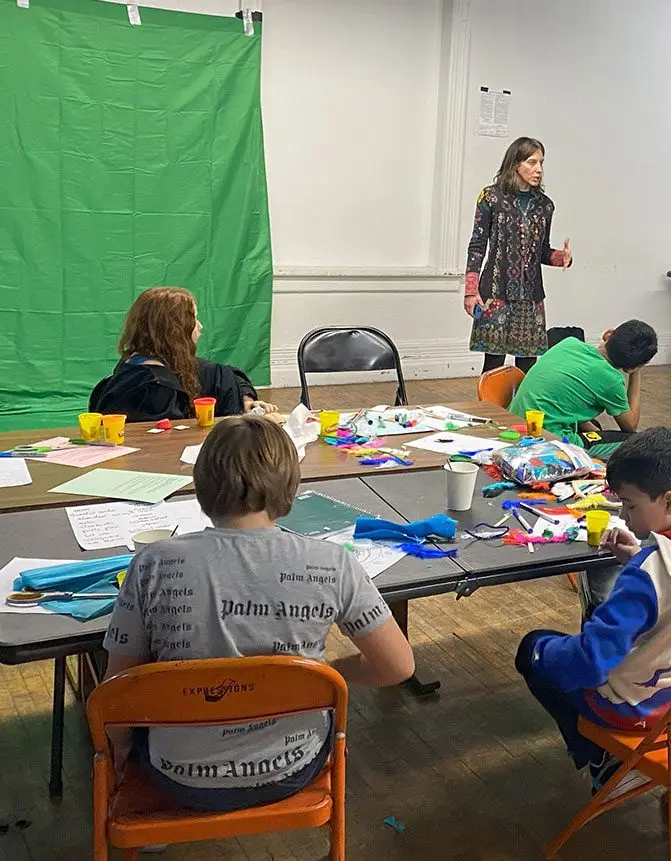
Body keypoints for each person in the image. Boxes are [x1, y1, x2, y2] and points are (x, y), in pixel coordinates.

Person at [102, 415, 415, 812]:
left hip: (178, 775)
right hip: (294, 768)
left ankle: (146, 821)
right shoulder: (333, 564)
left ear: (201, 484)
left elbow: (118, 691)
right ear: (290, 487)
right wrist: (331, 674)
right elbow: (398, 666)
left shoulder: (152, 563)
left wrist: (123, 754)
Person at [516, 428, 671, 851]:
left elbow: (590, 661)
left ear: (669, 502)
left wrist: (545, 652)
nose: (625, 514)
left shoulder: (646, 576)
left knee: (534, 650)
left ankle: (604, 762)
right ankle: (614, 762)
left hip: (640, 708)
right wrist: (640, 551)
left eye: (631, 505)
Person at [463, 137, 573, 376]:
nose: (539, 169)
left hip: (530, 298)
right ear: (515, 164)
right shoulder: (490, 198)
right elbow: (477, 246)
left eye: (541, 162)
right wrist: (471, 291)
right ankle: (490, 412)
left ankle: (521, 412)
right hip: (494, 293)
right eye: (532, 162)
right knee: (493, 365)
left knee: (527, 367)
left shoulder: (545, 206)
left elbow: (542, 252)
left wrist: (561, 257)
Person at [90, 287, 276, 423]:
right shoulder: (153, 387)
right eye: (194, 319)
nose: (200, 326)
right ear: (174, 329)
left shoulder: (152, 362)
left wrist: (246, 400)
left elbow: (221, 374)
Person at [507, 321, 657, 442]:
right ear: (632, 367)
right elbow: (630, 426)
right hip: (547, 439)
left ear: (608, 334)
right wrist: (636, 372)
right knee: (632, 441)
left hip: (517, 423)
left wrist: (599, 435)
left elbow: (566, 405)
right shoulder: (611, 380)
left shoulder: (570, 344)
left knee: (595, 426)